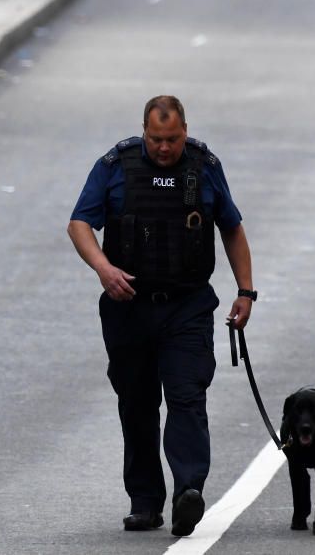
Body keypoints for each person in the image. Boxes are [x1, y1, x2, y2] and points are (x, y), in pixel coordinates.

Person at [67, 95, 254, 538]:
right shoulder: (116, 165)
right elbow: (79, 223)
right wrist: (103, 268)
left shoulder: (204, 166)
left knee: (187, 397)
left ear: (184, 131)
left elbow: (231, 226)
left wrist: (246, 290)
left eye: (172, 139)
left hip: (187, 305)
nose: (164, 148)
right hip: (128, 306)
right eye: (156, 139)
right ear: (144, 131)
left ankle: (188, 490)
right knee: (137, 404)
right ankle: (145, 502)